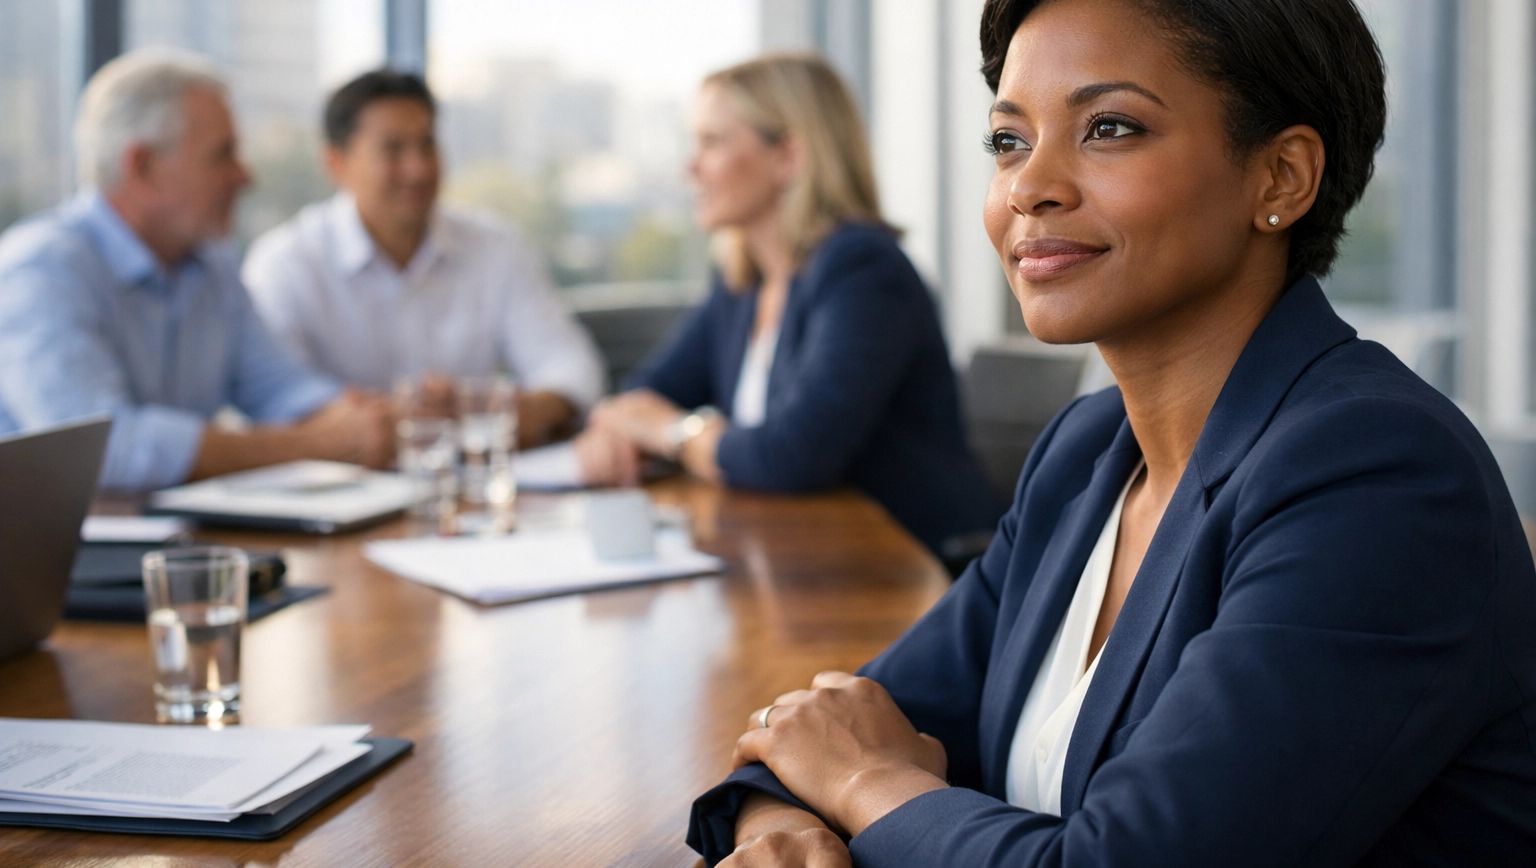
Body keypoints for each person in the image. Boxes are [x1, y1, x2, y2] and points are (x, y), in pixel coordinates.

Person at [687, 0, 1536, 867]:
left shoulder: (1376, 476)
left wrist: (859, 788)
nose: (1030, 187)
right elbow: (837, 723)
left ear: (1281, 177)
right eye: (1009, 140)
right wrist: (784, 825)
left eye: (1110, 128)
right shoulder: (1086, 453)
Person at [579, 54, 1004, 568]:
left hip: (913, 574)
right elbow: (649, 394)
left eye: (712, 142)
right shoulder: (745, 280)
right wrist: (617, 427)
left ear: (787, 156)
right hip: (800, 565)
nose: (690, 167)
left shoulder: (865, 270)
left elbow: (793, 456)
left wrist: (672, 432)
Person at [0, 48, 394, 493]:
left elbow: (280, 387)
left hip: (179, 533)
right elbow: (106, 450)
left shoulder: (211, 267)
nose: (244, 176)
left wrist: (362, 419)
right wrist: (312, 445)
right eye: (222, 155)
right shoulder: (39, 272)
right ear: (143, 166)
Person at [242, 70, 605, 449]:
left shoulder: (497, 247)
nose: (418, 169)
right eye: (393, 150)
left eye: (427, 145)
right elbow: (271, 398)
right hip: (340, 479)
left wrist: (508, 410)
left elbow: (573, 369)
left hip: (474, 473)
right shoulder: (285, 265)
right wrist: (373, 421)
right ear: (336, 163)